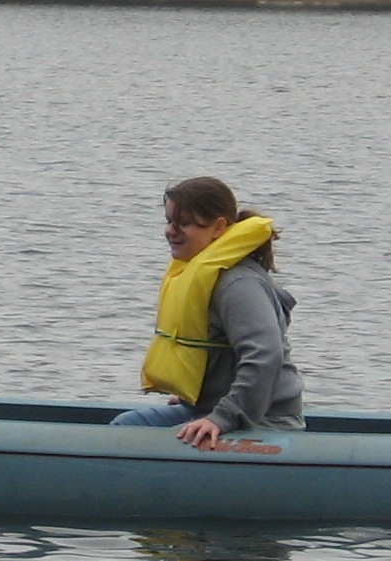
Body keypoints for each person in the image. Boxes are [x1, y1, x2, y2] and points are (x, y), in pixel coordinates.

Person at [115, 176, 304, 449]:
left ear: (218, 228)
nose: (171, 231)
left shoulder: (238, 285)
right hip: (211, 408)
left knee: (147, 446)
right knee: (125, 428)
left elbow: (266, 354)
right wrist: (201, 395)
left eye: (184, 224)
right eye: (169, 221)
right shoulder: (205, 275)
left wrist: (222, 416)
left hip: (263, 420)